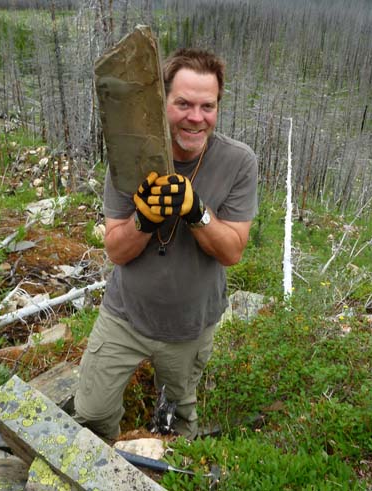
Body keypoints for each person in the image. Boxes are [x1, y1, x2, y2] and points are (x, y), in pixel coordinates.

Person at [74, 48, 258, 440]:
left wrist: (196, 212)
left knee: (177, 421)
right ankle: (111, 456)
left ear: (217, 107)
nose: (196, 117)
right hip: (125, 315)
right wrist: (144, 220)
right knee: (90, 412)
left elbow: (233, 251)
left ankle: (165, 463)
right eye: (184, 103)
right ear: (162, 101)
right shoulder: (130, 157)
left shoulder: (239, 162)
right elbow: (116, 251)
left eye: (207, 106)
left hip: (189, 325)